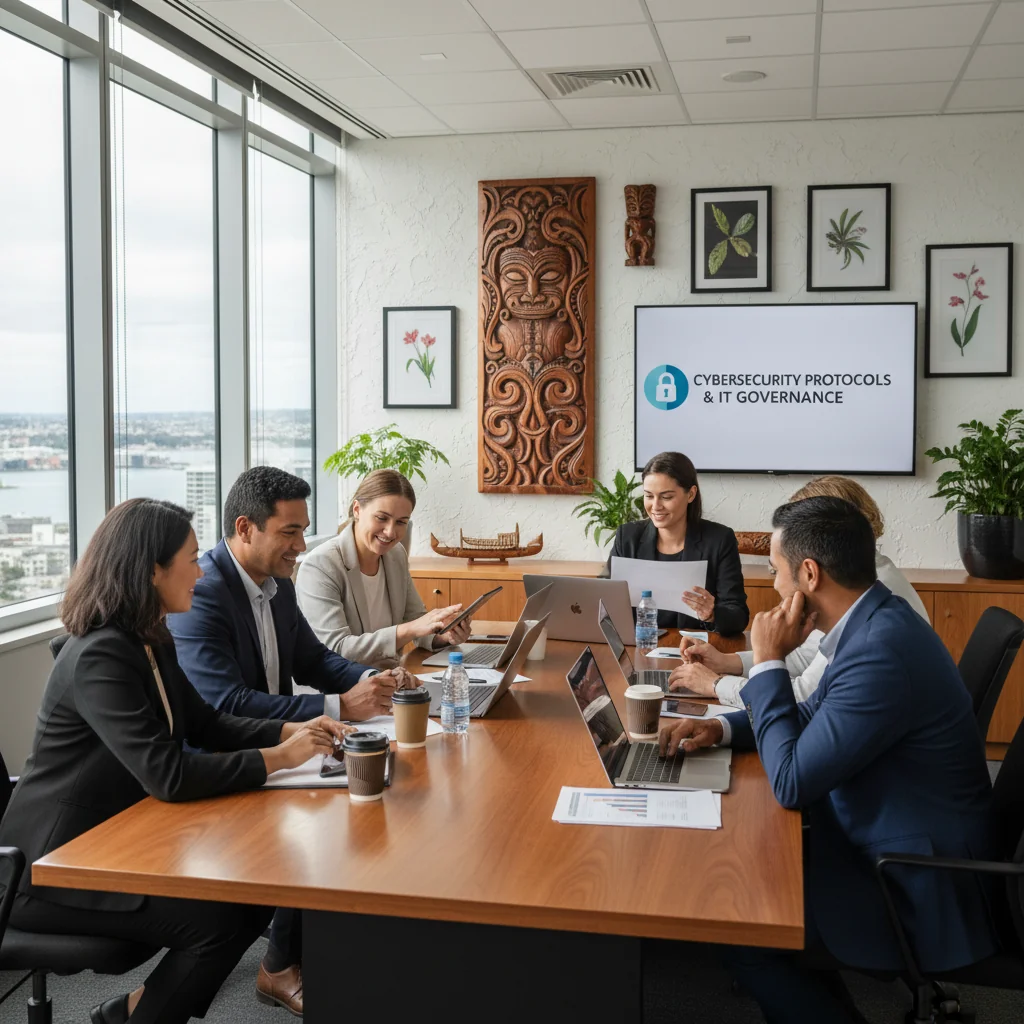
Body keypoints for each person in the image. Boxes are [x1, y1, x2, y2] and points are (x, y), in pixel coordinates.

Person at [0, 499, 349, 1024]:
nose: (201, 569)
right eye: (190, 558)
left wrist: (291, 729)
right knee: (217, 923)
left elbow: (206, 725)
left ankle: (130, 1011)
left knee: (252, 896)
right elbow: (168, 774)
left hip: (117, 840)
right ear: (151, 570)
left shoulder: (149, 638)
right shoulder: (100, 654)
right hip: (53, 865)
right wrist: (279, 757)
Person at [659, 496, 998, 1024]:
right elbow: (811, 713)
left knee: (734, 921)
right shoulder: (870, 621)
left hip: (912, 879)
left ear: (809, 573)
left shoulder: (881, 649)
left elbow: (792, 781)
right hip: (879, 832)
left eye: (774, 571)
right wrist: (718, 726)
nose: (773, 586)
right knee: (743, 875)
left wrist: (768, 661)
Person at [167, 466, 406, 1014]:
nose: (302, 545)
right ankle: (278, 966)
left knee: (379, 784)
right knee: (337, 812)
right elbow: (223, 705)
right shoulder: (203, 593)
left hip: (275, 743)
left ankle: (341, 941)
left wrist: (367, 683)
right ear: (246, 528)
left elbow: (312, 659)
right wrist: (337, 708)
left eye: (303, 531)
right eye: (290, 533)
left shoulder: (275, 585)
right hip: (221, 759)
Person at [671, 475, 931, 705]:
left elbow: (803, 698)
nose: (777, 583)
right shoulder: (862, 578)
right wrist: (727, 662)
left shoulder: (870, 594)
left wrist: (716, 685)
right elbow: (808, 658)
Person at [296, 469, 472, 668]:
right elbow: (336, 649)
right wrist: (409, 629)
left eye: (401, 522)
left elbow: (415, 618)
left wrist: (444, 634)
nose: (390, 531)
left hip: (392, 681)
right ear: (357, 510)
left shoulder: (395, 555)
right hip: (342, 692)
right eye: (381, 518)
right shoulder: (321, 565)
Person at [607, 451, 748, 634]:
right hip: (641, 646)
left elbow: (738, 616)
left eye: (666, 497)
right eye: (649, 496)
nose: (656, 506)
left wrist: (712, 614)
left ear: (690, 494)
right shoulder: (627, 537)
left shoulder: (720, 540)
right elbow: (604, 596)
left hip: (695, 652)